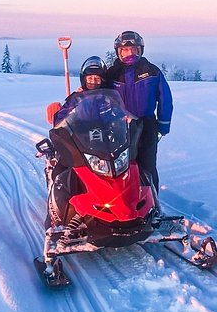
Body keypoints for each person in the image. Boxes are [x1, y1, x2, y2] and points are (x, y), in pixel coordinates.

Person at [105, 31, 173, 192]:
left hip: (146, 125)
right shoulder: (111, 74)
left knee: (147, 165)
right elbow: (95, 93)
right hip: (119, 127)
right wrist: (81, 94)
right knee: (120, 166)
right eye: (125, 50)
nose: (129, 54)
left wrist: (163, 127)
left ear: (140, 50)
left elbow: (165, 100)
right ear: (118, 52)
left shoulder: (151, 71)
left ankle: (152, 203)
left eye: (133, 50)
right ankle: (123, 203)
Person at [45, 56, 108, 228]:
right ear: (84, 79)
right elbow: (61, 118)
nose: (94, 82)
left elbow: (118, 114)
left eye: (97, 78)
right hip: (80, 142)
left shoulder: (108, 98)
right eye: (90, 79)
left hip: (105, 142)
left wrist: (125, 120)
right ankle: (55, 211)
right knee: (61, 171)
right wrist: (65, 117)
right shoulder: (76, 98)